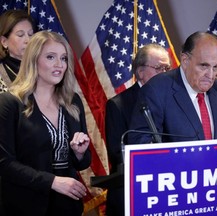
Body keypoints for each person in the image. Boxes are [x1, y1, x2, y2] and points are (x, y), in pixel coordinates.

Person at [0, 31, 91, 216]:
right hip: (25, 206)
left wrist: (79, 154)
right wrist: (52, 182)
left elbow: (82, 163)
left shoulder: (73, 102)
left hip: (68, 206)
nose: (60, 65)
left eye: (64, 58)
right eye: (51, 57)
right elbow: (4, 163)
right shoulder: (10, 103)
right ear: (33, 60)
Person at [128, 31, 217, 145]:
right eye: (204, 66)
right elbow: (141, 144)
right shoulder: (156, 90)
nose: (210, 75)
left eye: (215, 67)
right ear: (185, 60)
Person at [105, 43, 171, 216]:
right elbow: (117, 153)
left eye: (167, 68)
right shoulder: (117, 105)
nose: (165, 73)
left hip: (166, 191)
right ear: (140, 72)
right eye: (159, 68)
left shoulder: (173, 100)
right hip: (131, 192)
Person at [0, 9, 34, 93]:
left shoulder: (43, 67)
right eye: (20, 35)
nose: (28, 40)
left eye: (30, 34)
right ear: (4, 41)